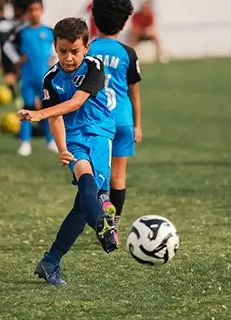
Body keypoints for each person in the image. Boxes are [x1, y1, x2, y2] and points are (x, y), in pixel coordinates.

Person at [17, 17, 118, 286]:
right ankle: (103, 224)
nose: (69, 58)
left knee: (82, 206)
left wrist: (38, 112)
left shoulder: (94, 67)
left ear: (86, 47)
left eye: (74, 51)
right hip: (73, 138)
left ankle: (51, 261)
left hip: (98, 134)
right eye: (63, 51)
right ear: (55, 47)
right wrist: (62, 148)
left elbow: (75, 103)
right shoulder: (50, 78)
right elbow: (57, 119)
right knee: (86, 184)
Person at [88, 0, 142, 245]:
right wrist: (137, 125)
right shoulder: (128, 53)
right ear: (124, 22)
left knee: (94, 177)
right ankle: (114, 226)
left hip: (95, 122)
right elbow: (134, 92)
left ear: (94, 19)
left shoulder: (86, 50)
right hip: (122, 121)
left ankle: (100, 213)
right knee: (118, 178)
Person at [4, 0, 57, 156]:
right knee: (27, 108)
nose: (34, 13)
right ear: (28, 12)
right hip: (27, 77)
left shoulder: (49, 31)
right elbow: (7, 46)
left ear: (42, 10)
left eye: (37, 9)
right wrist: (16, 60)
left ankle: (50, 141)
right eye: (31, 10)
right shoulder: (22, 31)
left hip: (45, 78)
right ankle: (25, 142)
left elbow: (58, 46)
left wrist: (53, 58)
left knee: (47, 109)